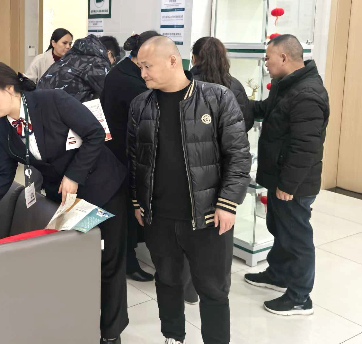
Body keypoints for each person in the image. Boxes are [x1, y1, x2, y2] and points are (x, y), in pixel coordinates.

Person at [0, 61, 128, 343]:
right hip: (65, 199)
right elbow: (2, 174)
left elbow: (94, 133)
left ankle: (111, 334)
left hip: (102, 187)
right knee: (76, 261)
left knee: (109, 260)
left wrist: (74, 175)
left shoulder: (52, 101)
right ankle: (79, 324)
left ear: (9, 88)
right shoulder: (3, 130)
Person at [127, 36, 251, 344]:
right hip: (159, 216)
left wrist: (228, 202)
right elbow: (134, 158)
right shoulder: (141, 104)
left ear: (173, 61)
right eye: (140, 67)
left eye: (147, 66)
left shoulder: (217, 97)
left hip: (207, 216)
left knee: (213, 288)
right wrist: (137, 200)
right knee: (167, 281)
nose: (143, 73)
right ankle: (173, 336)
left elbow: (238, 156)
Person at [244, 34, 329, 316]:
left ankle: (300, 297)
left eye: (268, 57)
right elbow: (263, 110)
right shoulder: (286, 86)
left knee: (296, 237)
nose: (265, 63)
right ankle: (278, 274)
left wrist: (289, 185)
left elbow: (306, 147)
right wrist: (234, 98)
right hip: (280, 177)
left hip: (294, 184)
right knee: (279, 228)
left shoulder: (308, 94)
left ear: (283, 57)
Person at [100, 31, 159, 283]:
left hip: (117, 151)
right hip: (123, 154)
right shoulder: (131, 82)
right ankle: (128, 261)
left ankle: (129, 257)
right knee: (126, 209)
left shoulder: (122, 70)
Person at [191, 36, 254, 131]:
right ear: (222, 58)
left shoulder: (186, 84)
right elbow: (246, 121)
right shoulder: (235, 85)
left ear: (193, 58)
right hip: (229, 139)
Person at [37, 34, 111, 102]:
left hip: (39, 105)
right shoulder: (98, 62)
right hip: (60, 108)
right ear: (109, 53)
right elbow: (110, 94)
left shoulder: (68, 57)